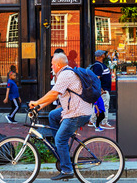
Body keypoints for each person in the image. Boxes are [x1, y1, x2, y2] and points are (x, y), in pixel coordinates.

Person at [29, 53, 93, 181]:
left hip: (77, 113)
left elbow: (53, 94)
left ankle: (67, 169)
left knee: (60, 139)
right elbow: (57, 95)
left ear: (58, 65)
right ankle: (61, 152)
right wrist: (40, 107)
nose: (51, 66)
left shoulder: (65, 75)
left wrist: (36, 102)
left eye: (52, 64)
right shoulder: (64, 73)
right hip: (75, 109)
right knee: (53, 115)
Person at [89, 50, 113, 129]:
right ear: (100, 56)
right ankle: (103, 122)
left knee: (99, 105)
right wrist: (101, 90)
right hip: (103, 90)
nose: (104, 54)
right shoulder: (98, 66)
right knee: (104, 105)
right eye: (103, 54)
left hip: (102, 90)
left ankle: (92, 121)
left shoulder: (100, 65)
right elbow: (96, 79)